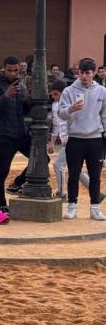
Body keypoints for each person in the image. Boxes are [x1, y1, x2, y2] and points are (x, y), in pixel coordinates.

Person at [58, 58, 106, 220]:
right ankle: (72, 206)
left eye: (87, 73)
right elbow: (60, 114)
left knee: (95, 175)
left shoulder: (102, 91)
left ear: (93, 73)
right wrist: (71, 109)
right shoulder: (69, 91)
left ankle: (95, 208)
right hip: (75, 138)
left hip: (95, 139)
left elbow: (104, 116)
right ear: (78, 73)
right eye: (81, 73)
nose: (84, 76)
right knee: (73, 174)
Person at [0, 57, 32, 213]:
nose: (13, 73)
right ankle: (2, 204)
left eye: (16, 70)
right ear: (3, 69)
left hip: (21, 133)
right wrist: (6, 96)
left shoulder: (22, 86)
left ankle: (17, 183)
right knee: (1, 171)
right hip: (3, 135)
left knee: (41, 159)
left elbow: (24, 111)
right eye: (9, 70)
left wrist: (29, 101)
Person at [49, 81, 91, 201]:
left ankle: (62, 194)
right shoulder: (55, 105)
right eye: (52, 95)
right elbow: (56, 125)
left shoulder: (71, 103)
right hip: (67, 140)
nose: (54, 97)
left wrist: (68, 137)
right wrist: (52, 142)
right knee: (75, 168)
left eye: (56, 94)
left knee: (58, 165)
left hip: (72, 139)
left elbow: (75, 122)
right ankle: (95, 191)